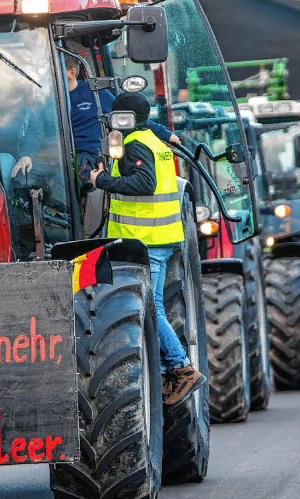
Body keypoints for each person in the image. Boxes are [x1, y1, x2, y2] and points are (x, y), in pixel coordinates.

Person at [90, 92, 206, 406]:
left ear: (123, 118)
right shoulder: (151, 138)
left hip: (149, 241)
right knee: (151, 306)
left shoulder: (135, 144)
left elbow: (145, 184)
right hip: (162, 238)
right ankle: (174, 368)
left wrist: (102, 181)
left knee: (151, 308)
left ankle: (181, 368)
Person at [62, 54, 181, 193]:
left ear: (72, 73)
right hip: (56, 151)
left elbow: (128, 117)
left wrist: (165, 133)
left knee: (70, 179)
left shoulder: (94, 92)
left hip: (85, 154)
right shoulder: (48, 97)